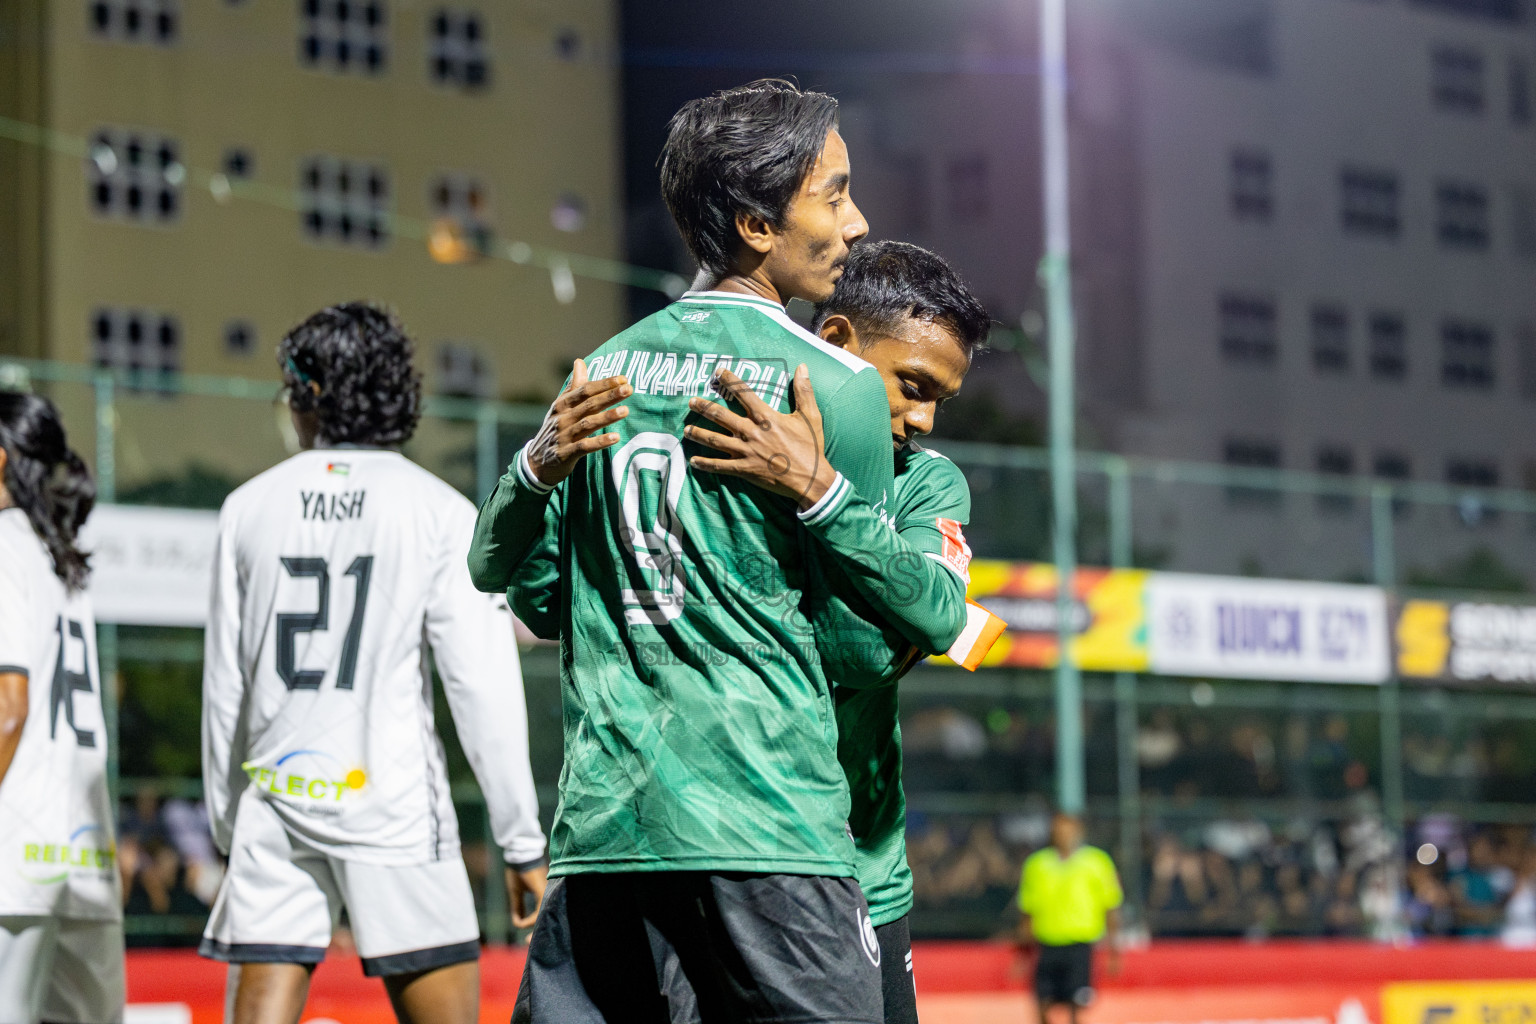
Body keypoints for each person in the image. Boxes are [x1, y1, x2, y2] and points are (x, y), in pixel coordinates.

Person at [470, 80, 972, 1024]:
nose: (856, 221)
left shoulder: (600, 371)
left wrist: (542, 479)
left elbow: (529, 590)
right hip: (771, 819)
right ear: (754, 222)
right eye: (834, 194)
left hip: (608, 825)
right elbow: (858, 649)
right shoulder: (834, 388)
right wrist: (831, 518)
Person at [685, 240, 1005, 1023]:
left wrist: (821, 494)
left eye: (942, 399)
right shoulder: (724, 452)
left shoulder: (928, 481)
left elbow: (928, 618)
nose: (924, 417)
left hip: (863, 866)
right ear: (835, 344)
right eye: (913, 385)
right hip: (720, 848)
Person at [200, 303, 547, 1024]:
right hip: (393, 812)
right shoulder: (437, 511)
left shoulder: (246, 507)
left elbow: (224, 690)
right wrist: (521, 841)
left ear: (309, 397)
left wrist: (232, 826)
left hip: (275, 802)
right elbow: (481, 687)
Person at [0, 392, 124, 1024]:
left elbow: (8, 706)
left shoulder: (2, 546)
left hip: (14, 849)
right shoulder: (63, 558)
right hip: (83, 854)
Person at [1016, 812, 1123, 1024]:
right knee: (1042, 1001)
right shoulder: (1036, 864)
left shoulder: (1097, 862)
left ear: (1079, 832)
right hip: (1047, 942)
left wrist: (1114, 949)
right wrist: (1023, 952)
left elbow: (1110, 907)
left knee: (1077, 1002)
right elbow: (1028, 910)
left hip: (1080, 942)